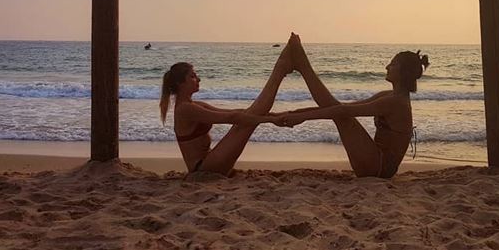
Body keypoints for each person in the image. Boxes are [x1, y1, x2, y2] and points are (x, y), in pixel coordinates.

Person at [277, 34, 428, 178]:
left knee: (341, 115)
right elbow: (344, 106)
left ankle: (303, 66)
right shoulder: (388, 95)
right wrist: (296, 113)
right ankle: (303, 66)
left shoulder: (395, 102)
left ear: (404, 72)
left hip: (379, 168)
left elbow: (344, 111)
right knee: (338, 111)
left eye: (393, 64)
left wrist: (301, 117)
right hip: (376, 165)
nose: (387, 67)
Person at [159, 36, 293, 175]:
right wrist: (270, 120)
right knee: (243, 121)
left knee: (246, 116)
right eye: (192, 76)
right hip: (202, 168)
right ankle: (279, 71)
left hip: (210, 161)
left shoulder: (194, 105)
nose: (198, 79)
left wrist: (276, 115)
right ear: (180, 83)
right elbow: (231, 117)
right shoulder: (185, 109)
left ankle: (281, 70)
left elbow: (236, 112)